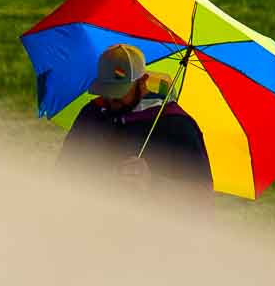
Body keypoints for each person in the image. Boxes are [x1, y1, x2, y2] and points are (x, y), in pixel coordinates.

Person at [58, 43, 213, 197]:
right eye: (106, 90)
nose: (111, 98)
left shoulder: (176, 124)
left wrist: (152, 182)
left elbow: (202, 195)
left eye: (119, 91)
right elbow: (62, 170)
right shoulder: (92, 114)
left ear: (142, 81)